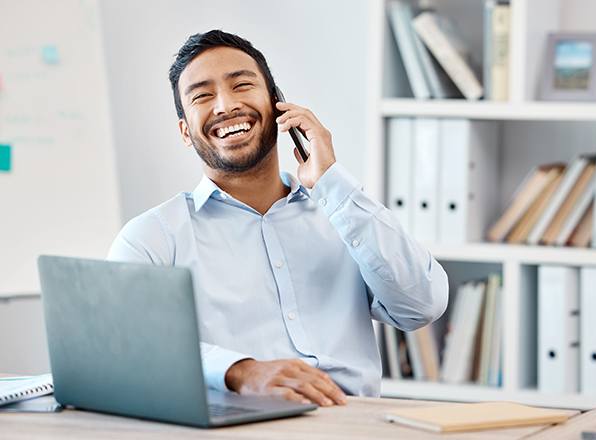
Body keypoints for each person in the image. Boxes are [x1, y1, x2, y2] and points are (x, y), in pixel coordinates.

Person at [107, 29, 448, 407]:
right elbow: (125, 346)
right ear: (186, 131)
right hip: (237, 428)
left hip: (353, 423)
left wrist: (331, 182)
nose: (225, 105)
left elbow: (422, 305)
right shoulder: (153, 237)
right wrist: (240, 371)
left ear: (278, 105)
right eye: (203, 95)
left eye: (242, 85)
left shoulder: (343, 215)